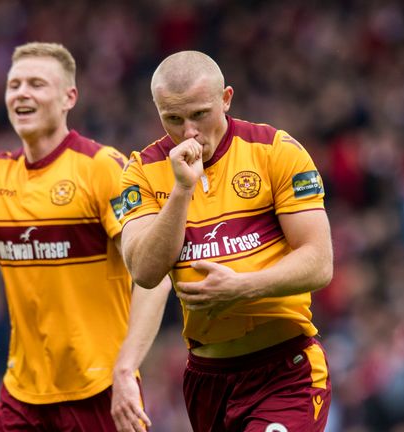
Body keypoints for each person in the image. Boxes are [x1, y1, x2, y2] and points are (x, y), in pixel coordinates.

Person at [0, 42, 171, 431]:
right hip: (22, 398)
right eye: (15, 85)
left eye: (37, 84)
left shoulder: (102, 169)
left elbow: (154, 275)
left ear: (68, 97)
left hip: (101, 391)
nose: (22, 93)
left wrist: (127, 368)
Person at [114, 50, 333, 432]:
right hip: (207, 377)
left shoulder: (274, 151)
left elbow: (319, 261)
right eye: (173, 119)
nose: (189, 133)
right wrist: (182, 189)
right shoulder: (142, 171)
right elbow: (146, 272)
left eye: (200, 114)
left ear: (226, 98)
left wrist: (243, 287)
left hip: (286, 370)